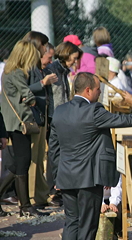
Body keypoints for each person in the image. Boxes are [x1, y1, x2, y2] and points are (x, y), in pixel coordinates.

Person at [48, 72, 132, 240]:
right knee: (88, 225)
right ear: (88, 90)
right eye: (98, 89)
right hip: (88, 179)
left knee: (72, 222)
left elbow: (54, 149)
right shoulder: (94, 110)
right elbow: (125, 120)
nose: (100, 93)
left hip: (66, 177)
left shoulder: (59, 111)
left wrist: (56, 178)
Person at [1, 40, 50, 217]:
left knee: (19, 163)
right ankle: (26, 206)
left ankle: (24, 205)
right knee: (23, 161)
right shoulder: (17, 73)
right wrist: (32, 99)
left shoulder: (9, 71)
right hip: (19, 122)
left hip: (14, 121)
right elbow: (28, 95)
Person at [24, 31, 59, 208]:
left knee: (39, 158)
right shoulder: (27, 67)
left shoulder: (38, 67)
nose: (46, 49)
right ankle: (31, 198)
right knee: (33, 160)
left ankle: (41, 196)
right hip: (32, 117)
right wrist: (43, 83)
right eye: (44, 46)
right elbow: (23, 91)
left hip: (41, 116)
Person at [44, 41, 83, 119]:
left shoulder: (64, 71)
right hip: (53, 116)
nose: (75, 62)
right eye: (74, 58)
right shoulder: (51, 70)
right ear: (66, 55)